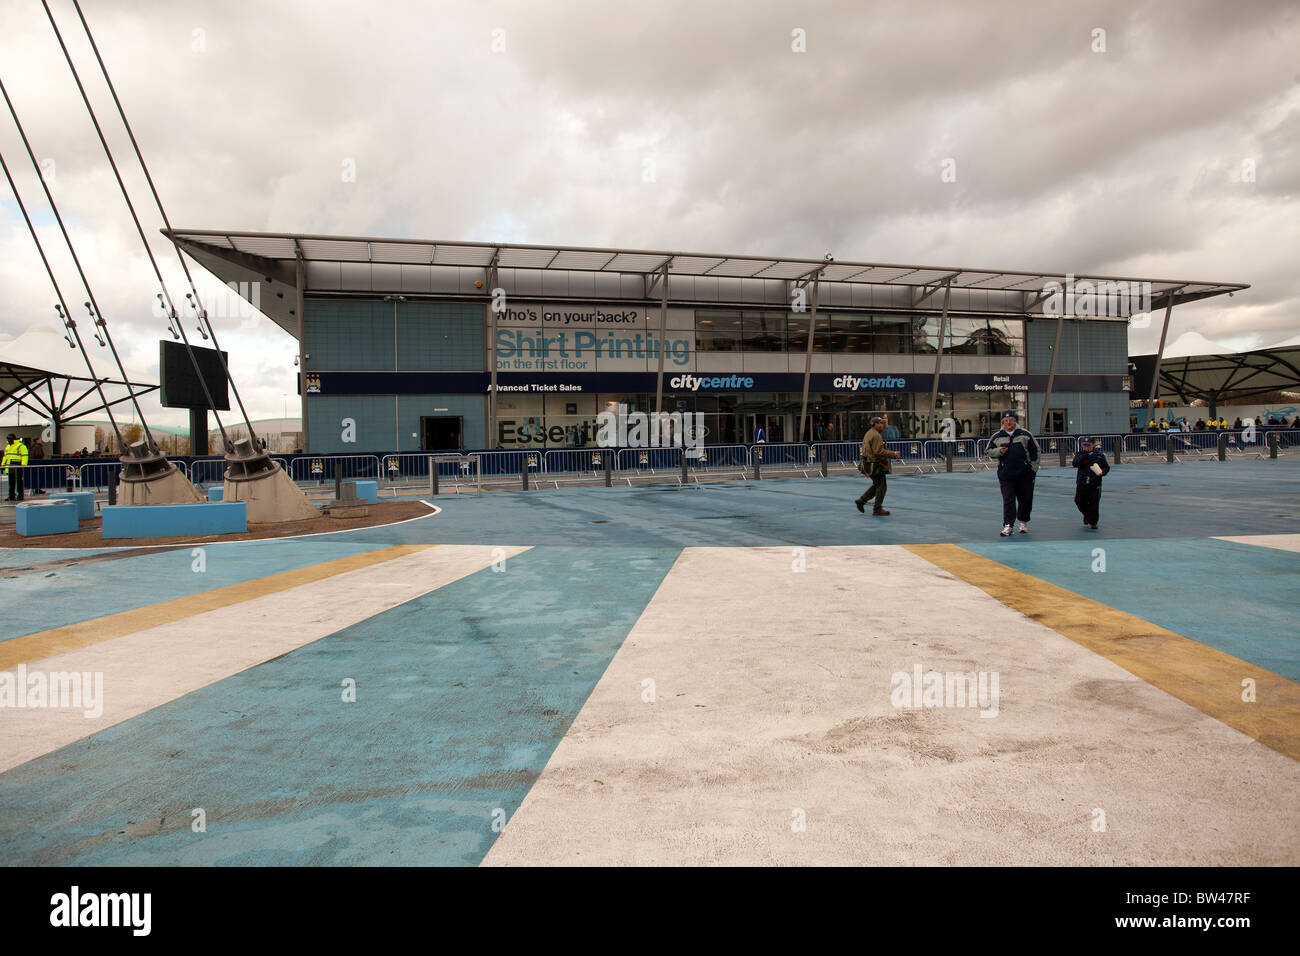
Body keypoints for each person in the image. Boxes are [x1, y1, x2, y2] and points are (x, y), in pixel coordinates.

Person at [987, 412, 1039, 536]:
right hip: (1006, 474)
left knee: (1025, 499)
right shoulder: (997, 436)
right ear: (1003, 422)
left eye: (1011, 420)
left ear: (1015, 421)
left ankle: (1023, 522)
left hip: (1025, 474)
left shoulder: (1025, 434)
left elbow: (1035, 451)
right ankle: (1008, 525)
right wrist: (998, 451)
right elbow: (988, 451)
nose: (1008, 422)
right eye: (1006, 420)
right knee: (1008, 500)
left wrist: (1033, 469)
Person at [854, 415, 899, 516]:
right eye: (880, 423)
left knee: (877, 485)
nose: (882, 424)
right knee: (882, 487)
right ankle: (877, 509)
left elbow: (871, 448)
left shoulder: (869, 433)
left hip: (868, 463)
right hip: (875, 464)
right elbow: (878, 452)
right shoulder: (876, 435)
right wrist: (893, 454)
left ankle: (861, 501)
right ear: (874, 424)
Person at [1071, 436, 1110, 530]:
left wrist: (1102, 472)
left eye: (1088, 445)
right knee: (1079, 500)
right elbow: (1075, 464)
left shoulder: (1099, 455)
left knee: (1094, 503)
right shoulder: (1080, 454)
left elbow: (1106, 467)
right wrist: (1084, 455)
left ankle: (1093, 522)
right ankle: (1087, 515)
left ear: (1093, 445)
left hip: (1094, 482)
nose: (1086, 447)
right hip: (1082, 481)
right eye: (1084, 445)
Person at [3, 433, 28, 501]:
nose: (8, 440)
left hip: (18, 465)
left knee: (19, 482)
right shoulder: (8, 446)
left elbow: (25, 455)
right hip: (10, 466)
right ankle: (11, 496)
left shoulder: (20, 446)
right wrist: (3, 465)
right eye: (8, 439)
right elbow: (5, 457)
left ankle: (20, 496)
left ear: (13, 439)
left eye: (10, 439)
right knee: (11, 483)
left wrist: (23, 465)